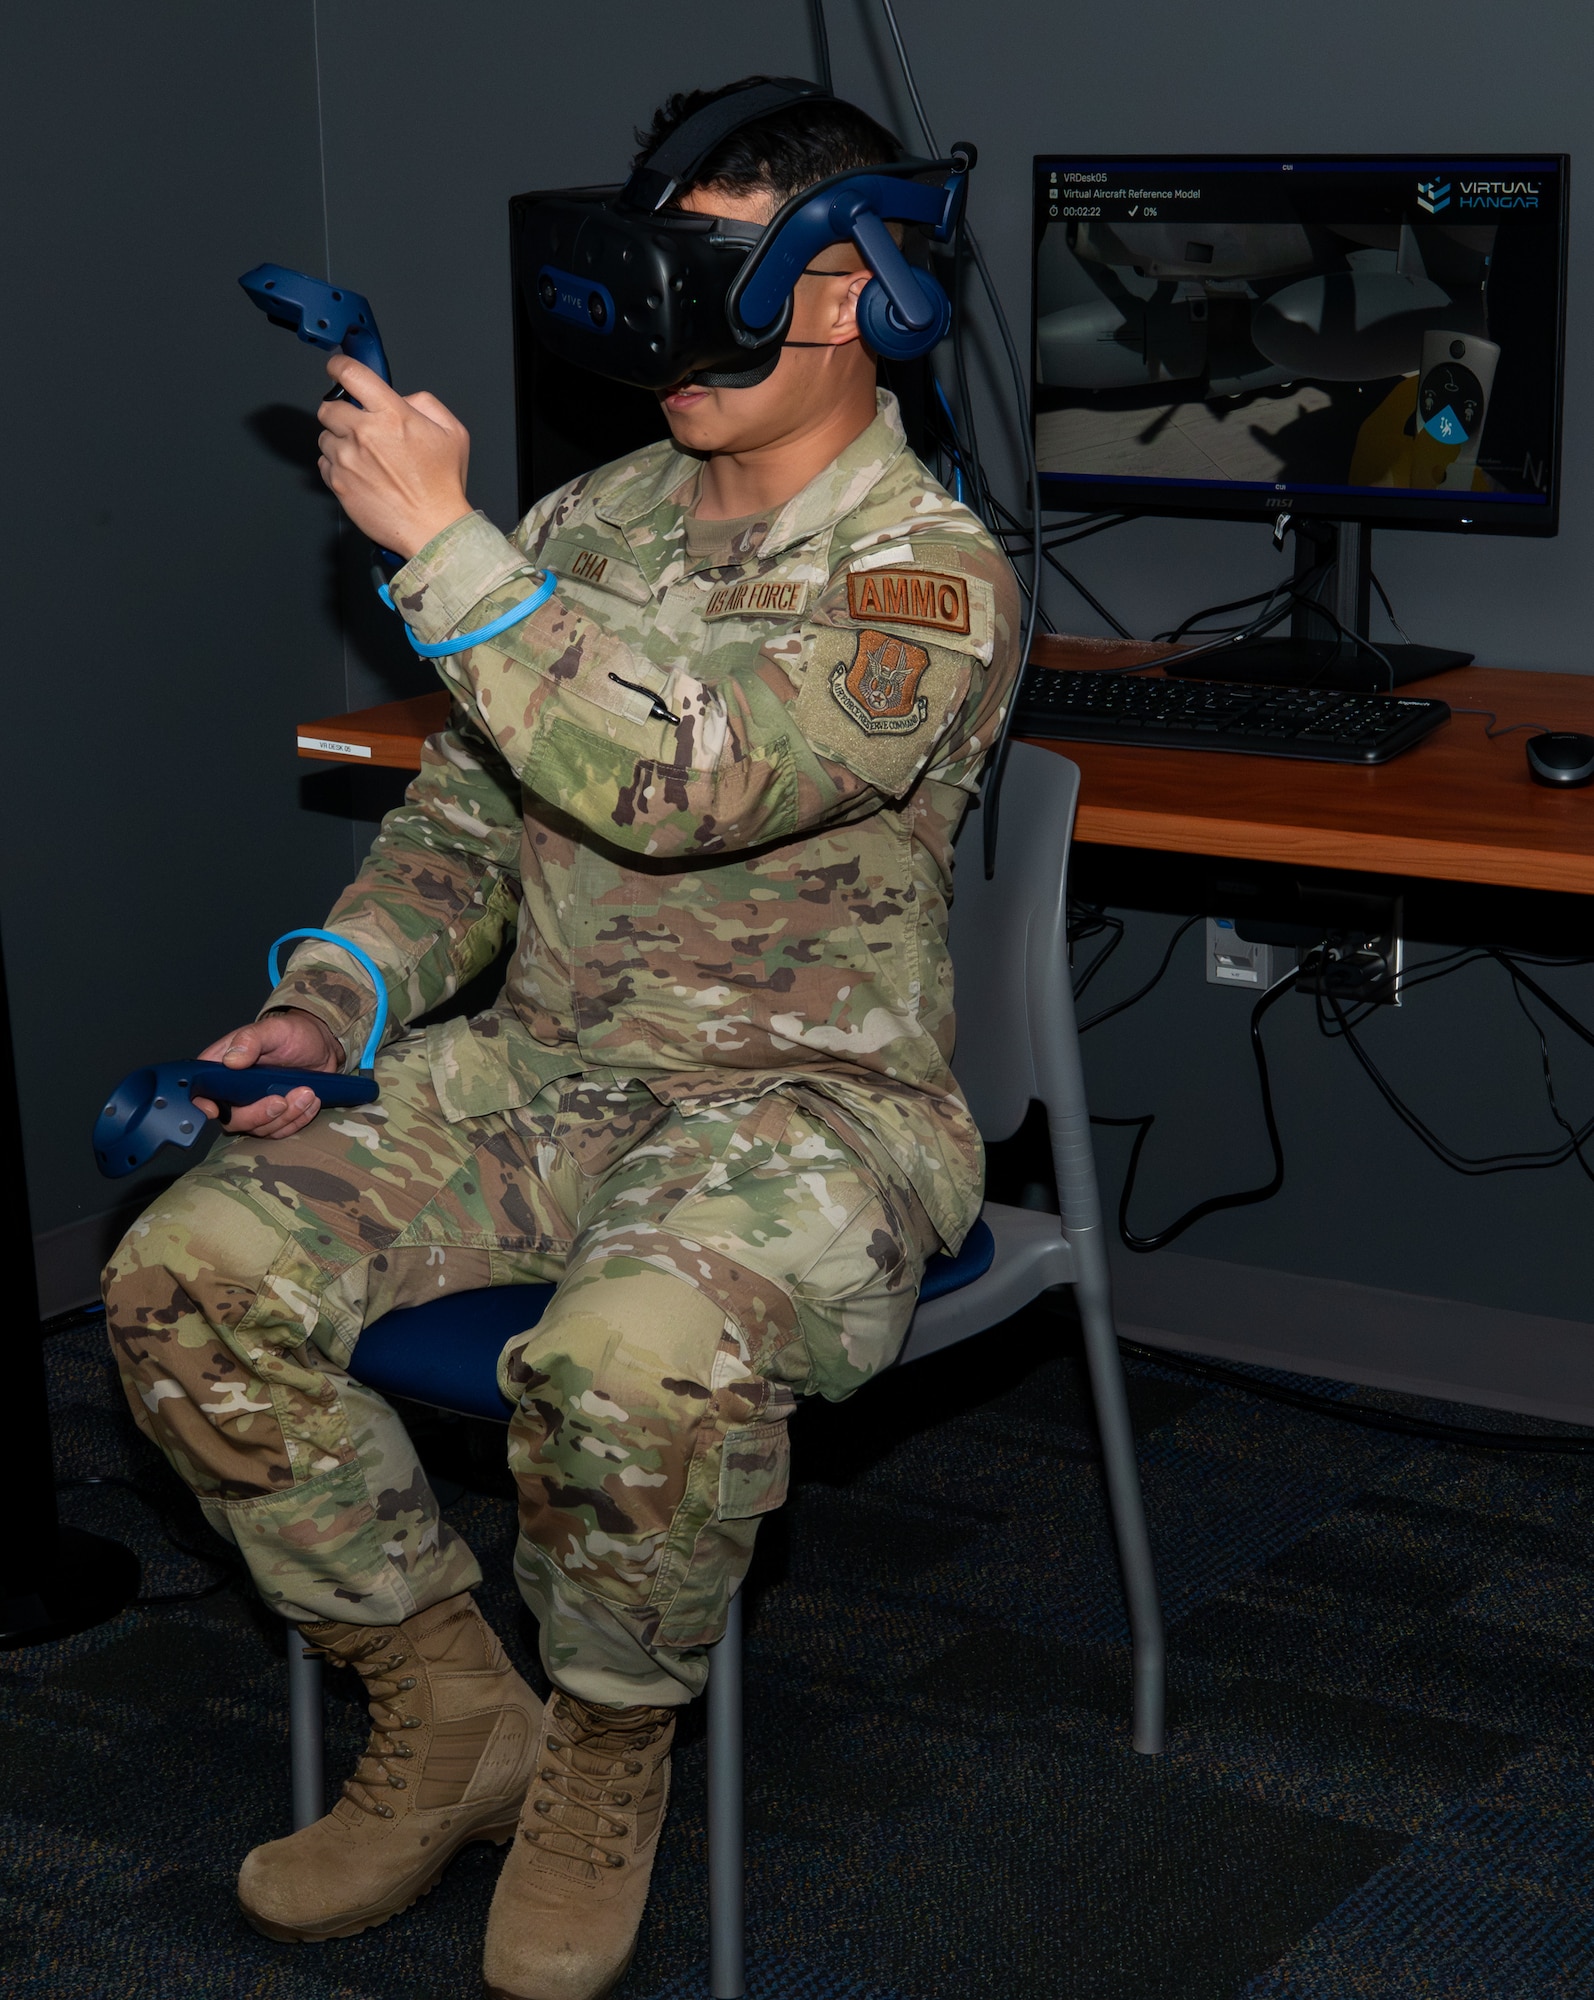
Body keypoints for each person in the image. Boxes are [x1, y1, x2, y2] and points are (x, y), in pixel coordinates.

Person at [103, 79, 1019, 2000]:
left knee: (624, 1363)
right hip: (542, 1080)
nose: (664, 325)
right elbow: (461, 835)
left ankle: (604, 1740)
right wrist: (323, 1000)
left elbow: (683, 784)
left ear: (846, 295)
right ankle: (446, 1700)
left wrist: (446, 550)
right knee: (184, 1274)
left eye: (718, 274)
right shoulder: (593, 520)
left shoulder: (924, 577)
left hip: (805, 1112)